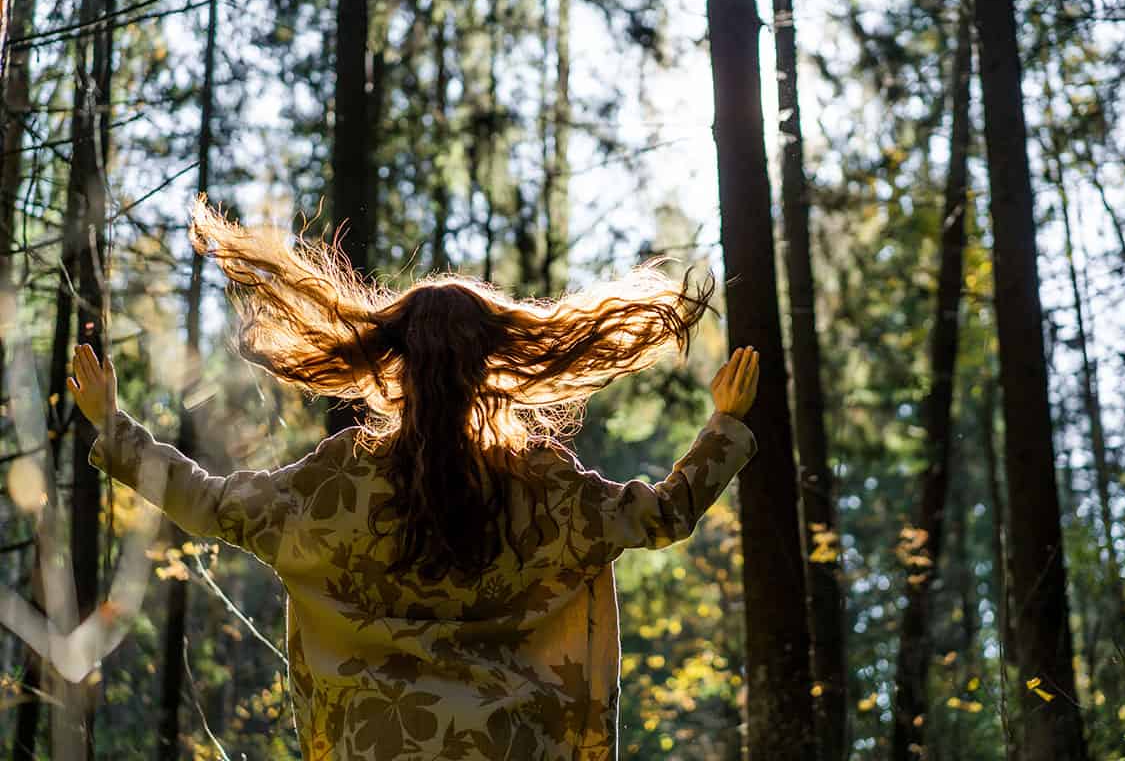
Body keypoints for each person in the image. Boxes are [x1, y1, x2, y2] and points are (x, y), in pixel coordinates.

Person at [67, 197, 760, 761]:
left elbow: (208, 503)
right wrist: (723, 426)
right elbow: (662, 517)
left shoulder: (338, 482)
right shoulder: (540, 484)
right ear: (498, 362)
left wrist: (115, 428)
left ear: (391, 362)